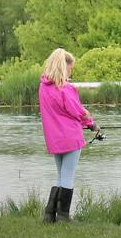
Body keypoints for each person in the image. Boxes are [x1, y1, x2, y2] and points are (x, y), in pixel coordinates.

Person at [38, 48, 97, 223]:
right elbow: (78, 111)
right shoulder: (66, 88)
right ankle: (64, 216)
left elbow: (62, 112)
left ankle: (49, 215)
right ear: (65, 67)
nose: (71, 72)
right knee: (68, 175)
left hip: (54, 139)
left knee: (61, 175)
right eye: (70, 68)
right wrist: (92, 124)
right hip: (71, 137)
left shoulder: (43, 87)